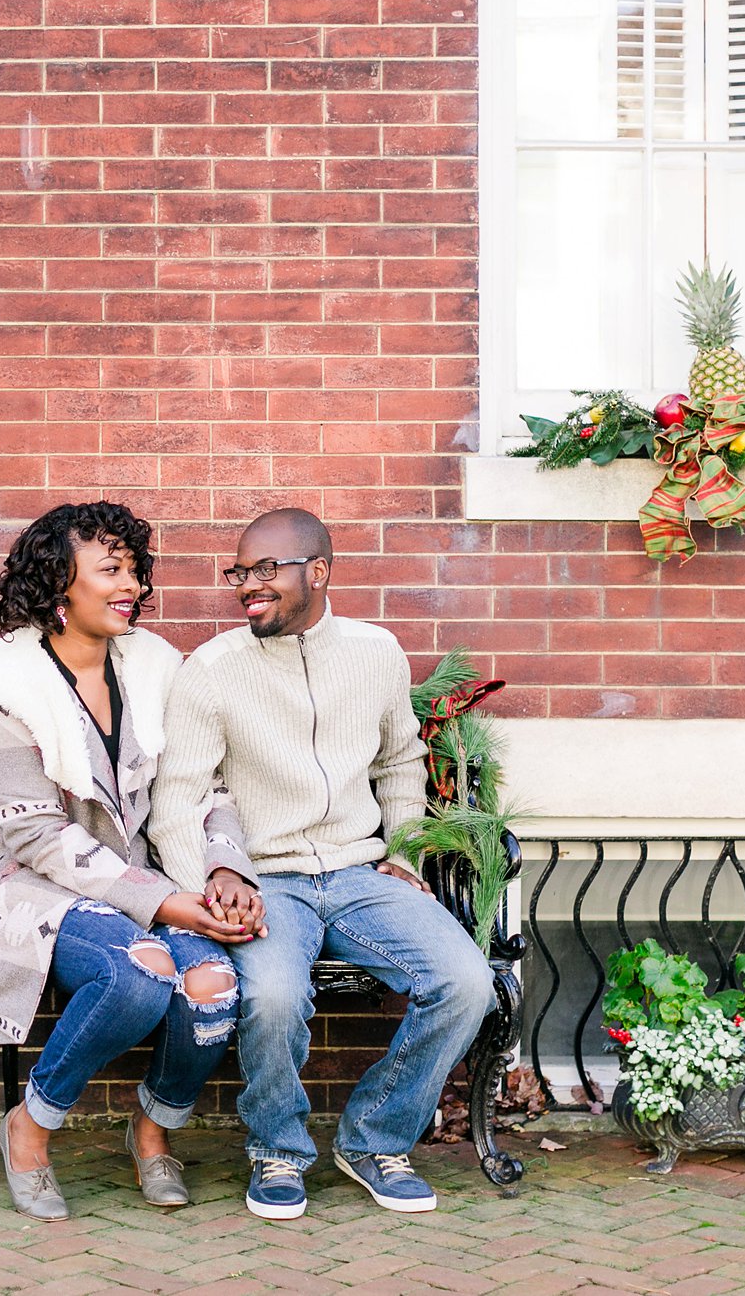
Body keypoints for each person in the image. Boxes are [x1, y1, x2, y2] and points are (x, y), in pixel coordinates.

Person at [149, 507, 494, 1220]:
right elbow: (176, 802)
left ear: (320, 571)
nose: (249, 587)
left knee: (466, 981)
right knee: (272, 998)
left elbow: (401, 762)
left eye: (266, 570)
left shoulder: (376, 653)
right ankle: (277, 1149)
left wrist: (404, 852)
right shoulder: (212, 670)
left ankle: (373, 1139)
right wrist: (212, 890)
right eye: (241, 573)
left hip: (363, 872)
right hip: (266, 881)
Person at [0, 501, 261, 1222]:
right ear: (60, 585)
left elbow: (206, 787)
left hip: (154, 874)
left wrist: (223, 872)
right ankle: (29, 1126)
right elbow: (34, 838)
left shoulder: (155, 669)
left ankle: (152, 1132)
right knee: (138, 973)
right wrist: (164, 903)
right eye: (110, 570)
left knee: (212, 985)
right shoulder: (5, 692)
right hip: (37, 890)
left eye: (133, 571)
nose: (132, 587)